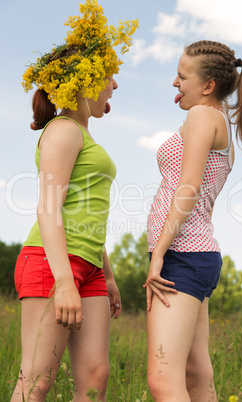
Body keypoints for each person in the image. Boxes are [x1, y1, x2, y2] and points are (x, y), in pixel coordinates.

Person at [11, 1, 138, 401]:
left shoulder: (85, 135)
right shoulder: (64, 130)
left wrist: (109, 272)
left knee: (95, 375)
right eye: (111, 78)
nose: (114, 86)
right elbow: (49, 208)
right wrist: (65, 280)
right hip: (52, 266)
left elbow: (85, 213)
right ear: (89, 80)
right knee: (36, 381)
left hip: (90, 268)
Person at [145, 40, 242, 401]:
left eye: (182, 77)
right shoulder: (214, 120)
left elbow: (189, 189)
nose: (175, 83)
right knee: (196, 375)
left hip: (182, 256)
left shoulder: (203, 116)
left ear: (208, 86)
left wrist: (159, 254)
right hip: (196, 254)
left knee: (163, 380)